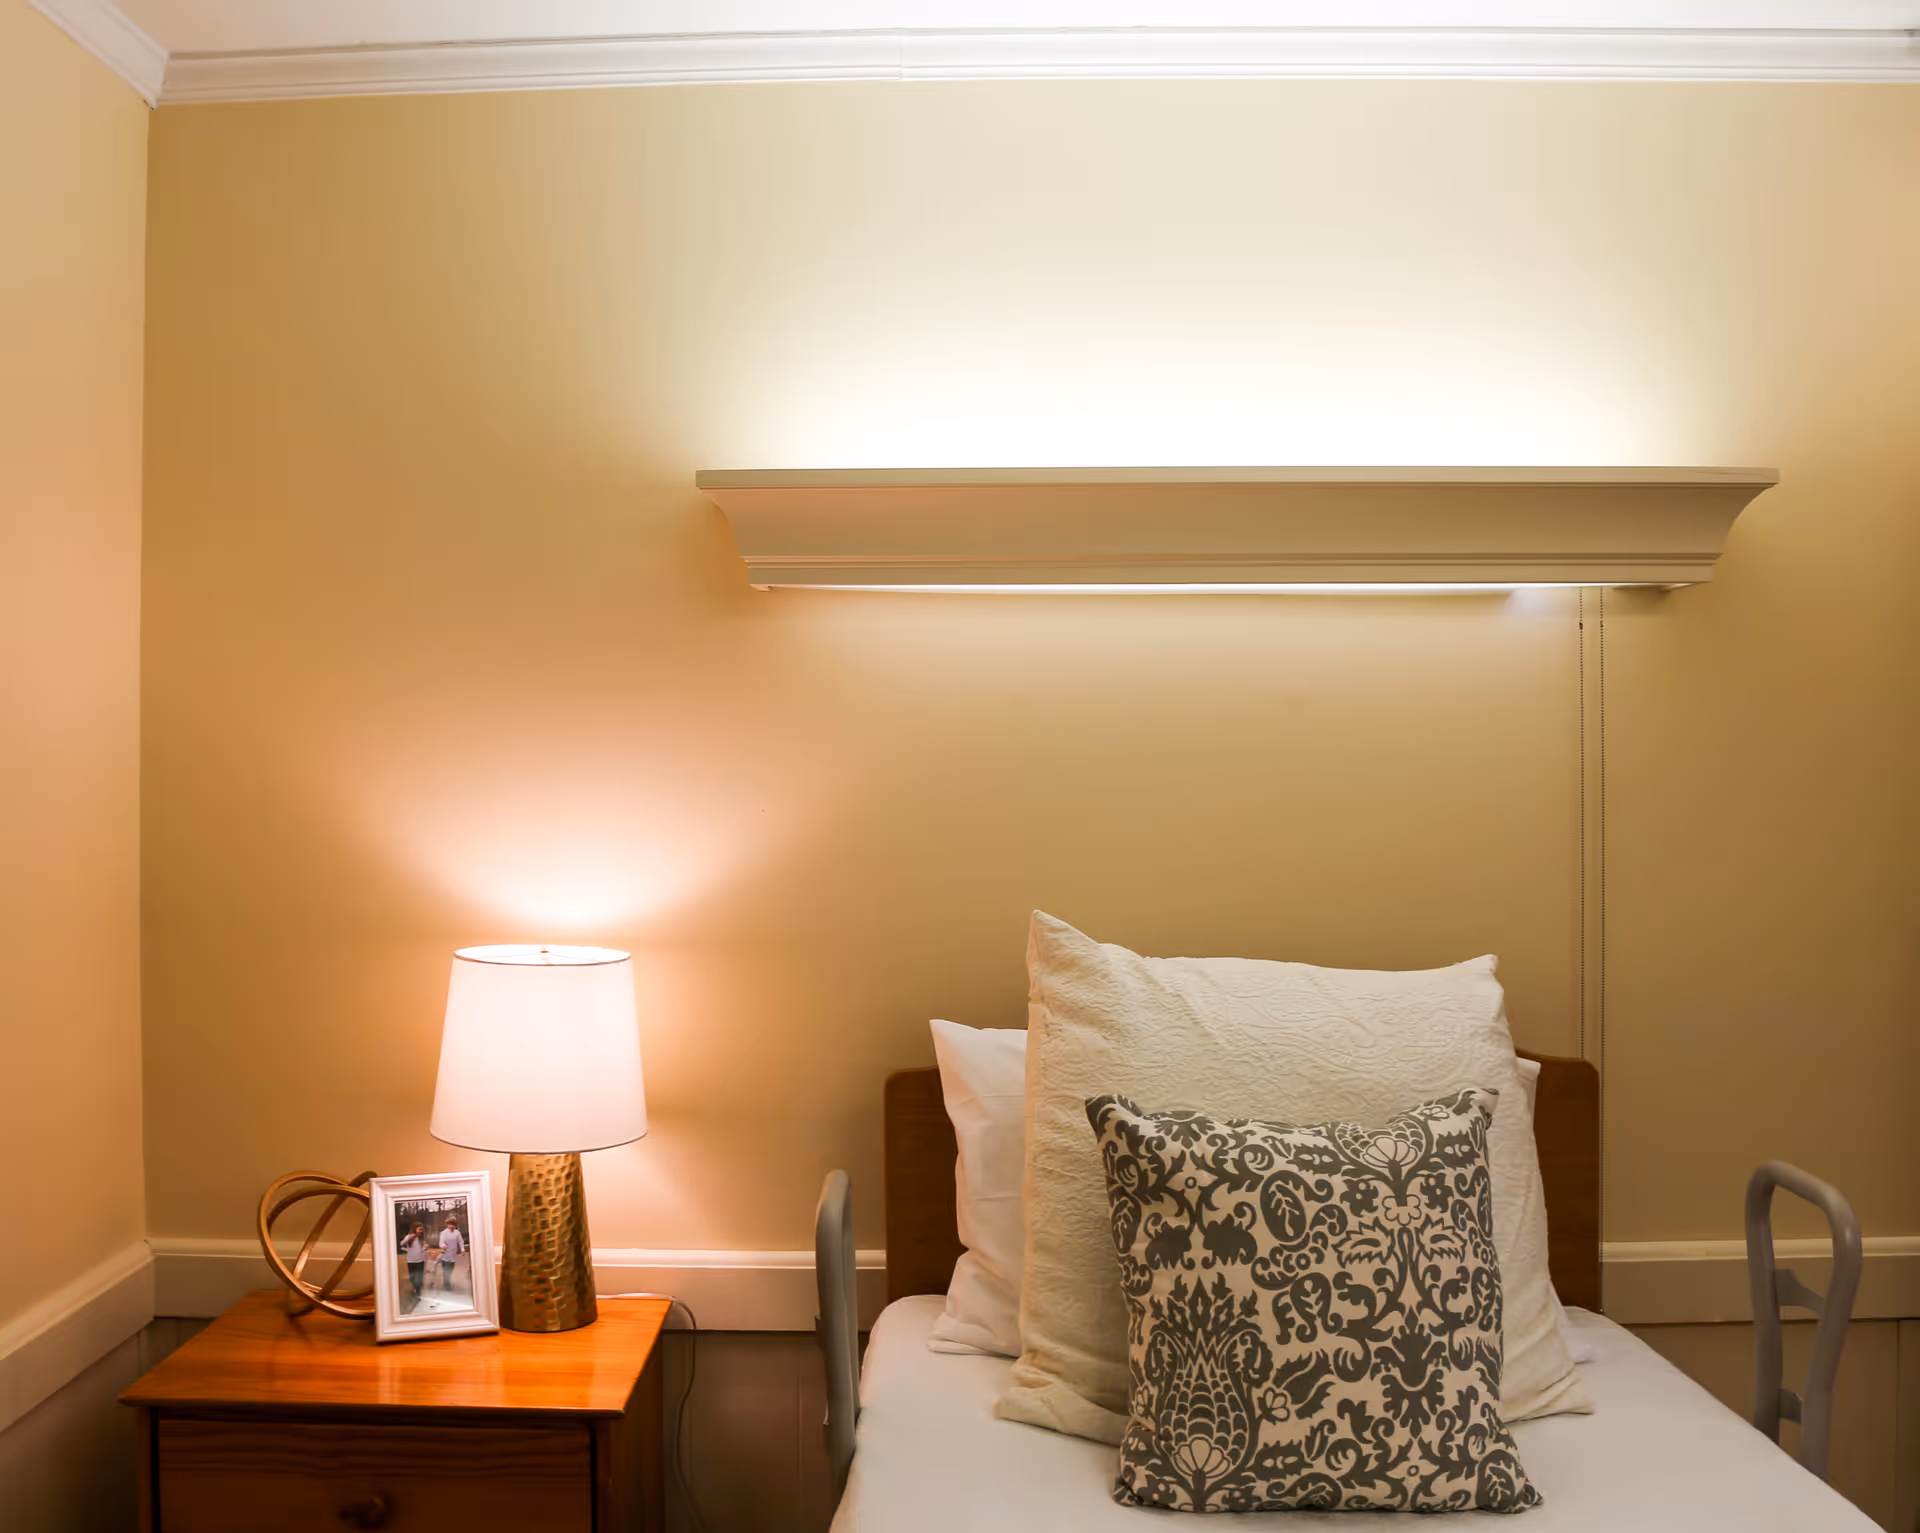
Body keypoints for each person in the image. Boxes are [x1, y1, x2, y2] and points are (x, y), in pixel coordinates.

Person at [399, 1222, 429, 1304]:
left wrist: (425, 1248)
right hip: (411, 1261)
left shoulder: (421, 1239)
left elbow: (422, 1250)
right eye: (419, 1229)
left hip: (420, 1261)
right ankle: (415, 1289)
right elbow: (401, 1244)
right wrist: (408, 1239)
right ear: (414, 1229)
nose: (420, 1231)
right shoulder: (409, 1237)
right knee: (412, 1278)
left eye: (421, 1230)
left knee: (419, 1277)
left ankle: (418, 1294)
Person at [438, 1216, 465, 1297]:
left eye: (452, 1224)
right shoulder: (443, 1233)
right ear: (447, 1225)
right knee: (445, 1270)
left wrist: (462, 1249)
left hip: (453, 1255)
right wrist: (443, 1246)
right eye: (449, 1224)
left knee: (450, 1270)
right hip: (445, 1254)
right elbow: (441, 1242)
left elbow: (460, 1241)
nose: (451, 1226)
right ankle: (446, 1285)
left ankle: (447, 1282)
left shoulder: (457, 1233)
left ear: (455, 1225)